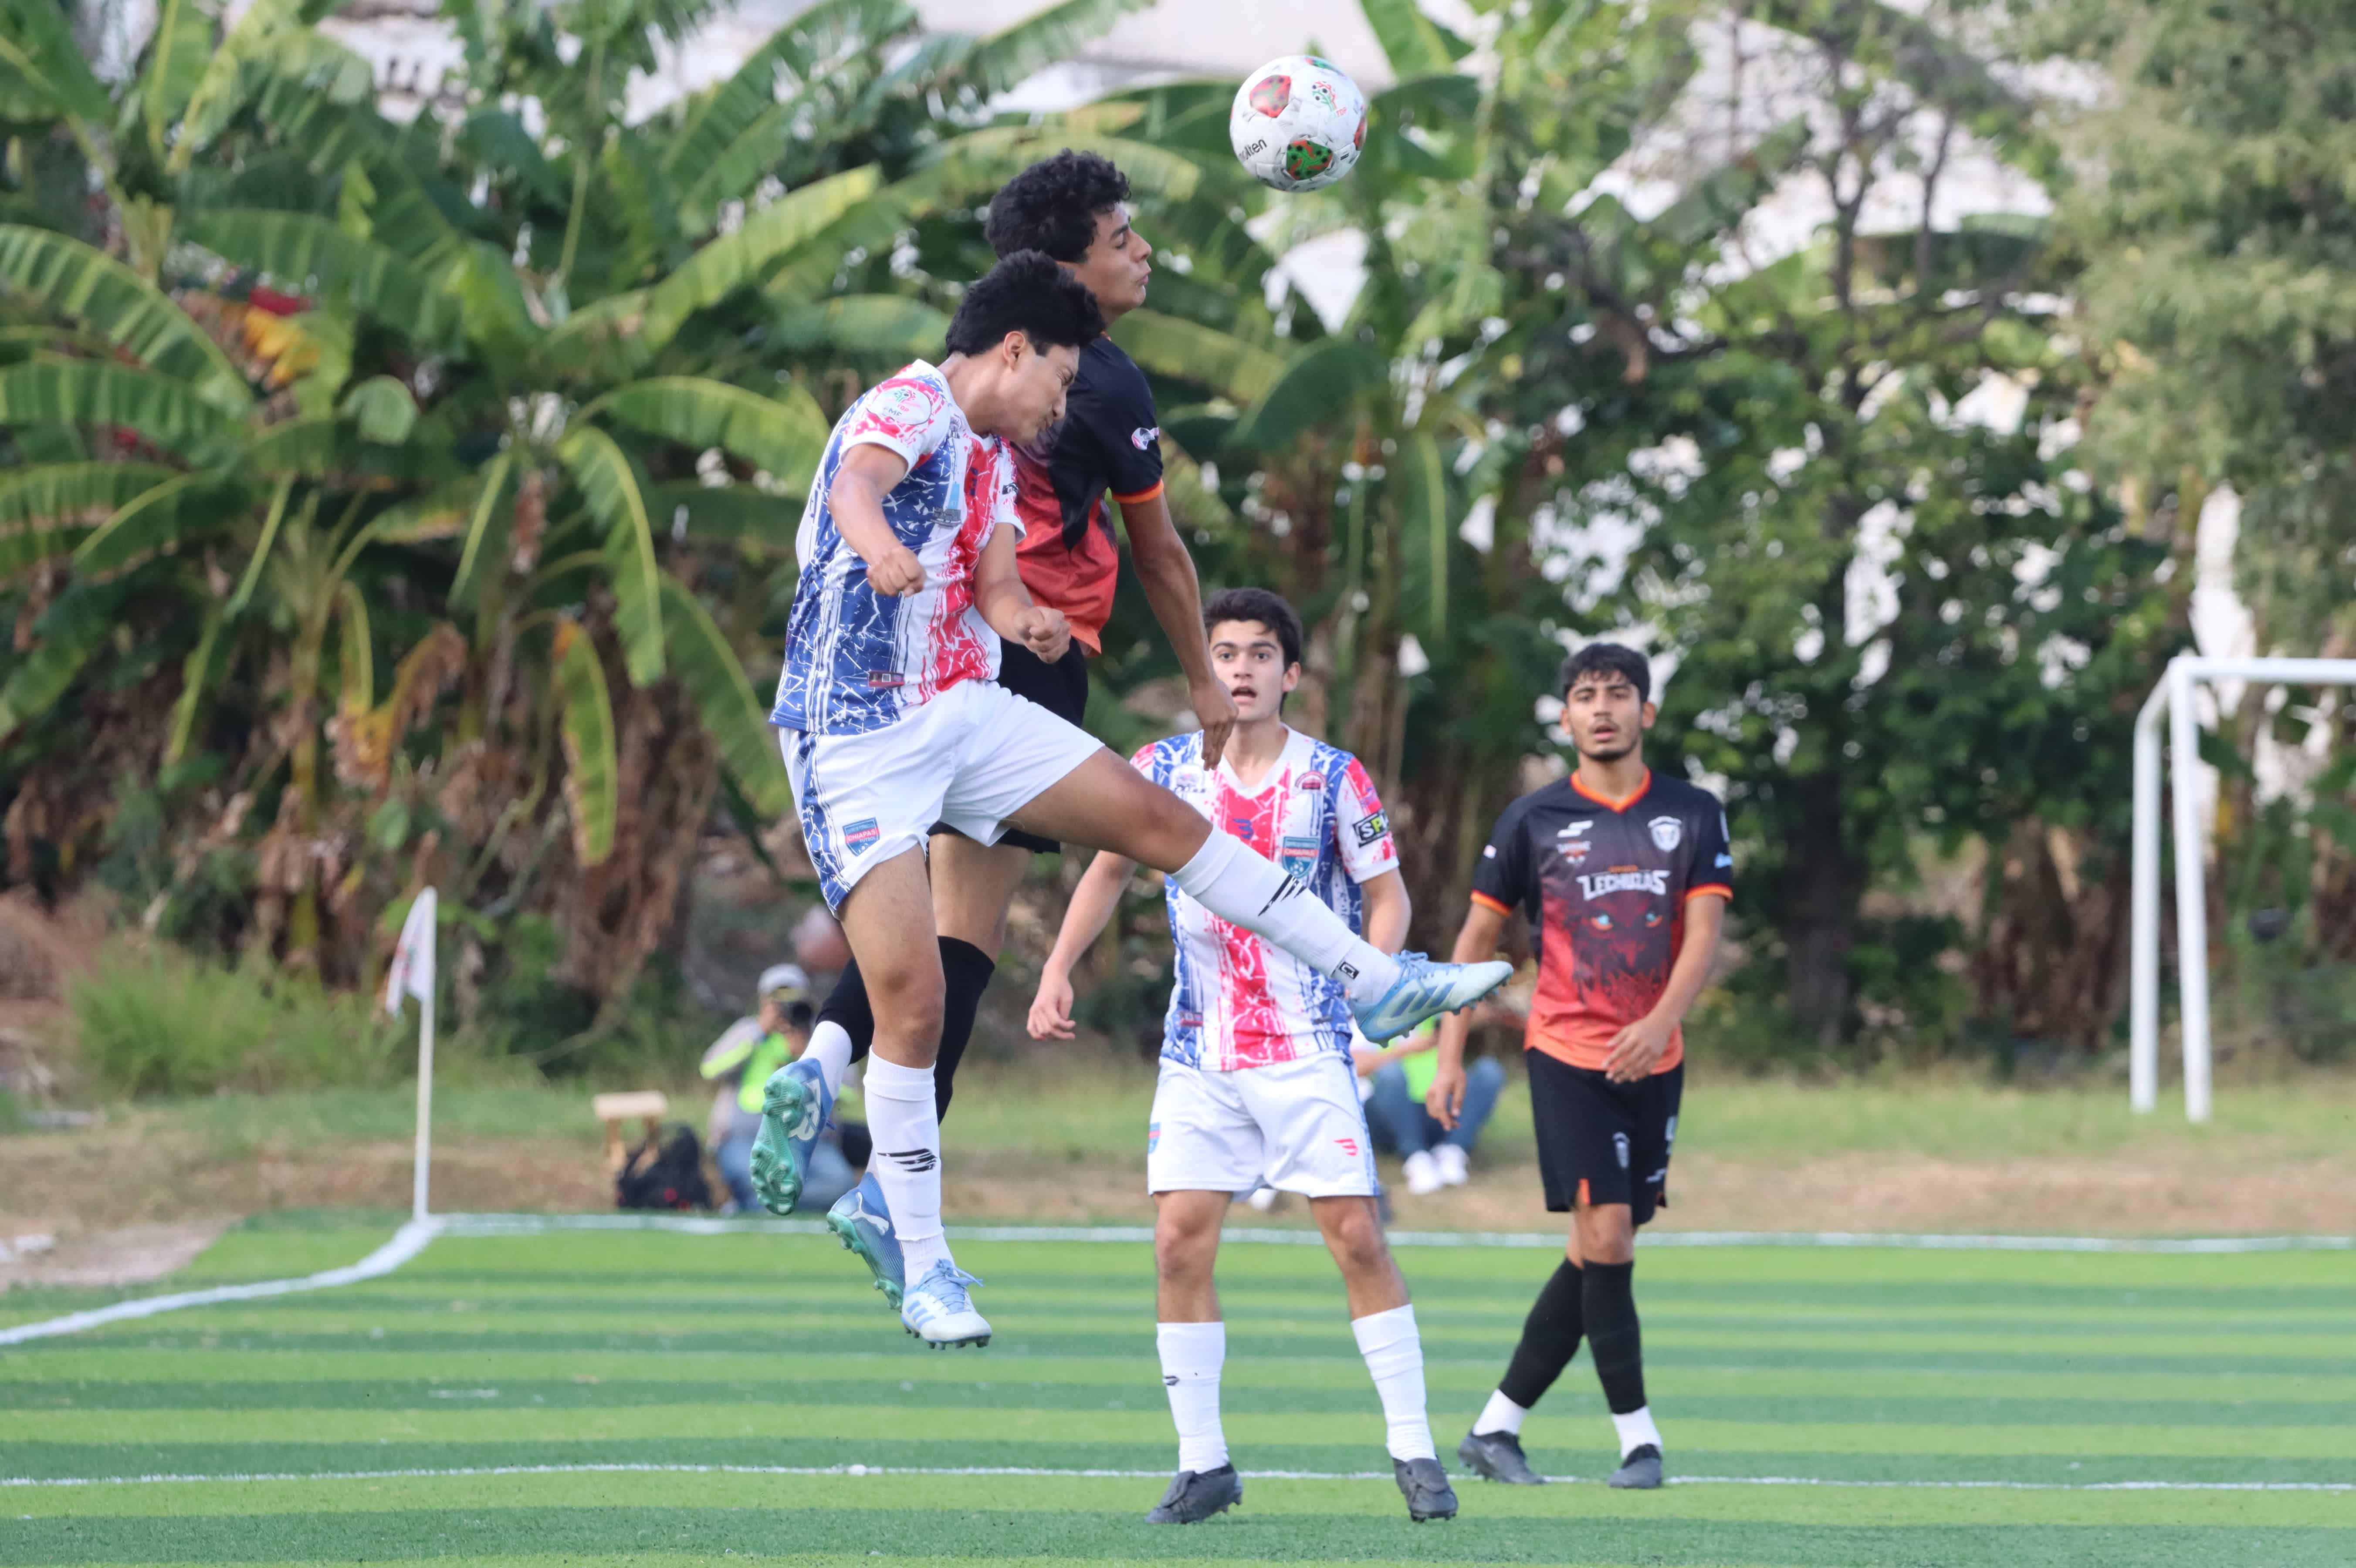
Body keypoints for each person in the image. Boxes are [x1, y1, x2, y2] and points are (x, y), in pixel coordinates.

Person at [752, 254, 1512, 1350]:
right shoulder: (909, 404)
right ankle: (920, 1260)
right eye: (1061, 382)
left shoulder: (997, 458)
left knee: (1163, 821)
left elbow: (997, 584)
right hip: (855, 737)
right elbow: (855, 489)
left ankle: (1376, 981)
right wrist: (876, 550)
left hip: (959, 708)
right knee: (912, 1004)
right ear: (1013, 349)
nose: (1064, 407)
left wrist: (1026, 623)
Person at [784, 149, 1243, 1288]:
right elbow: (1160, 553)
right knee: (965, 938)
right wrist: (1202, 679)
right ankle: (888, 1188)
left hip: (929, 663)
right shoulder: (1100, 380)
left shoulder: (964, 368)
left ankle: (822, 1064)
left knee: (921, 926)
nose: (1142, 253)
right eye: (1122, 238)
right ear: (1062, 271)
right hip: (1022, 660)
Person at [1027, 587, 1459, 1523]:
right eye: (1223, 653)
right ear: (1204, 667)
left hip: (1307, 1046)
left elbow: (1385, 895)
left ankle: (1415, 1451)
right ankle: (1203, 1465)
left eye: (1260, 654)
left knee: (1355, 1237)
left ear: (1289, 673)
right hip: (1199, 1050)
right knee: (1176, 1245)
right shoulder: (1160, 769)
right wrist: (1057, 968)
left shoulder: (1333, 777)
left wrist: (1373, 980)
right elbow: (1108, 868)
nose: (1240, 670)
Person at [1429, 642, 1730, 1491]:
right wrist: (1449, 1055)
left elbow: (1703, 935)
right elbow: (1473, 945)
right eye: (1586, 695)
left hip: (1657, 1060)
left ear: (1646, 712)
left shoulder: (1693, 813)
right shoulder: (1531, 820)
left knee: (1602, 1243)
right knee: (1606, 1238)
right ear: (1564, 718)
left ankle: (1495, 1429)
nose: (1602, 708)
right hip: (1565, 1054)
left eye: (1618, 693)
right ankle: (1640, 1444)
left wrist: (1659, 1025)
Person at [1356, 1020, 1506, 1195]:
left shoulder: (1438, 1017)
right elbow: (1353, 1067)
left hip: (1439, 1110)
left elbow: (1478, 1013)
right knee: (1390, 1074)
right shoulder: (1370, 1019)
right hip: (1388, 1115)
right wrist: (1407, 1050)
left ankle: (1453, 1151)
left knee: (1489, 1071)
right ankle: (1415, 1156)